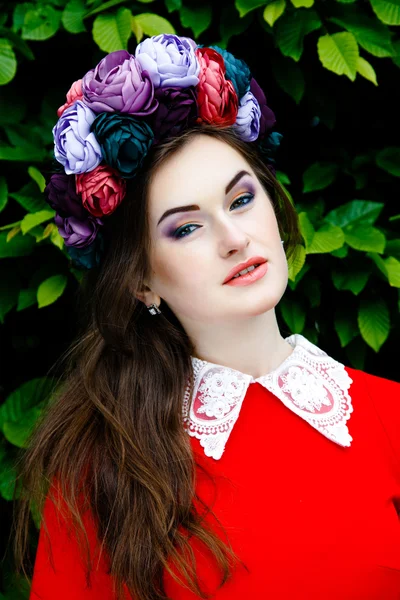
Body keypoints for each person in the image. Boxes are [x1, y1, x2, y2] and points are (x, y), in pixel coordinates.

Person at [12, 34, 400, 600]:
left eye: (241, 200)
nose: (235, 238)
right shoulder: (103, 469)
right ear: (142, 277)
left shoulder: (389, 416)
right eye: (186, 227)